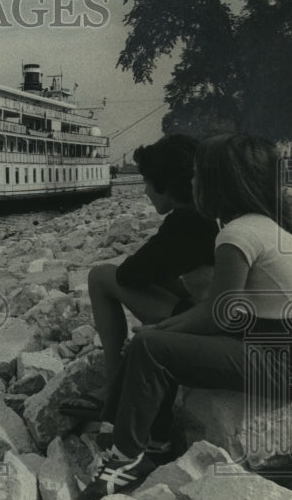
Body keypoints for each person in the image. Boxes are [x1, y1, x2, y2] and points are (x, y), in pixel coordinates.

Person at [78, 134, 292, 500]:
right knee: (155, 343)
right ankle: (154, 436)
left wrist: (160, 331)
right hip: (289, 348)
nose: (191, 182)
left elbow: (219, 313)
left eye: (198, 176)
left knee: (150, 345)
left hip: (289, 358)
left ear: (219, 184)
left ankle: (126, 455)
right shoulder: (261, 223)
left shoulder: (237, 234)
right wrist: (166, 331)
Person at [59, 135, 219, 454]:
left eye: (148, 181)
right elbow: (156, 271)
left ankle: (113, 385)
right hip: (214, 316)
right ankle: (115, 384)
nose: (144, 191)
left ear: (167, 183)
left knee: (100, 276)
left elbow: (128, 274)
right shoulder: (206, 214)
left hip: (205, 328)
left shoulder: (184, 223)